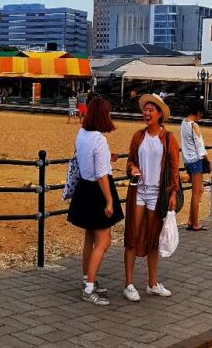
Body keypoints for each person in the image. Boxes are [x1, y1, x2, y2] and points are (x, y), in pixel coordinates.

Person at [122, 94, 181, 302]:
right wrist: (133, 168)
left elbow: (174, 168)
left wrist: (173, 192)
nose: (146, 113)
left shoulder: (169, 138)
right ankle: (129, 284)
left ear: (159, 114)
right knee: (132, 235)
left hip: (158, 194)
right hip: (138, 191)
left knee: (154, 238)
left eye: (150, 110)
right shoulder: (138, 136)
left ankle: (152, 283)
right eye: (145, 109)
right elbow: (129, 161)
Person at [67, 95, 121, 306]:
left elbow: (86, 160)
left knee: (90, 237)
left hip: (84, 189)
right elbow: (101, 174)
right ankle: (89, 287)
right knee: (103, 241)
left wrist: (108, 156)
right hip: (98, 191)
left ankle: (87, 280)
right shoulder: (99, 139)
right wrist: (109, 201)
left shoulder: (82, 133)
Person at [179, 99, 209, 231]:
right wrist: (207, 160)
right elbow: (200, 146)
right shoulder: (194, 125)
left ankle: (191, 220)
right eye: (201, 114)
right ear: (198, 112)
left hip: (188, 161)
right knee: (196, 193)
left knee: (199, 190)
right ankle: (194, 223)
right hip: (196, 161)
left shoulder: (183, 123)